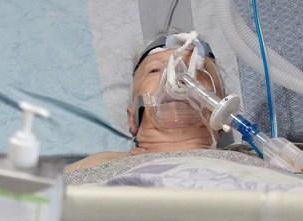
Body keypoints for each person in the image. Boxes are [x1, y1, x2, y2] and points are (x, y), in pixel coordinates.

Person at [68, 33, 229, 171]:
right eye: (154, 70)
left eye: (195, 69)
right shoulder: (97, 166)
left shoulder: (243, 158)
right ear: (132, 118)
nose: (176, 77)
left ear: (223, 110)